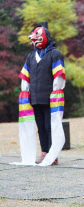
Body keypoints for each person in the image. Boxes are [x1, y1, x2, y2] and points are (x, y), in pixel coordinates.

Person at [14, 23, 66, 166]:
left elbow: (59, 76)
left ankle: (52, 153)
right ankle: (44, 151)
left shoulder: (55, 54)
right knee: (41, 127)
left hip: (50, 98)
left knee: (51, 126)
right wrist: (26, 93)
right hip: (35, 97)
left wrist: (56, 92)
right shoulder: (31, 56)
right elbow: (26, 77)